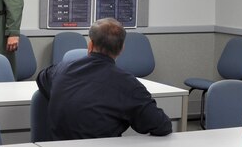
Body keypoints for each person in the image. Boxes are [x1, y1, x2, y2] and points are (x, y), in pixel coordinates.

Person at [35, 18, 171, 140]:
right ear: (121, 49)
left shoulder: (60, 70)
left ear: (90, 45)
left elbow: (41, 78)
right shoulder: (128, 85)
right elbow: (161, 125)